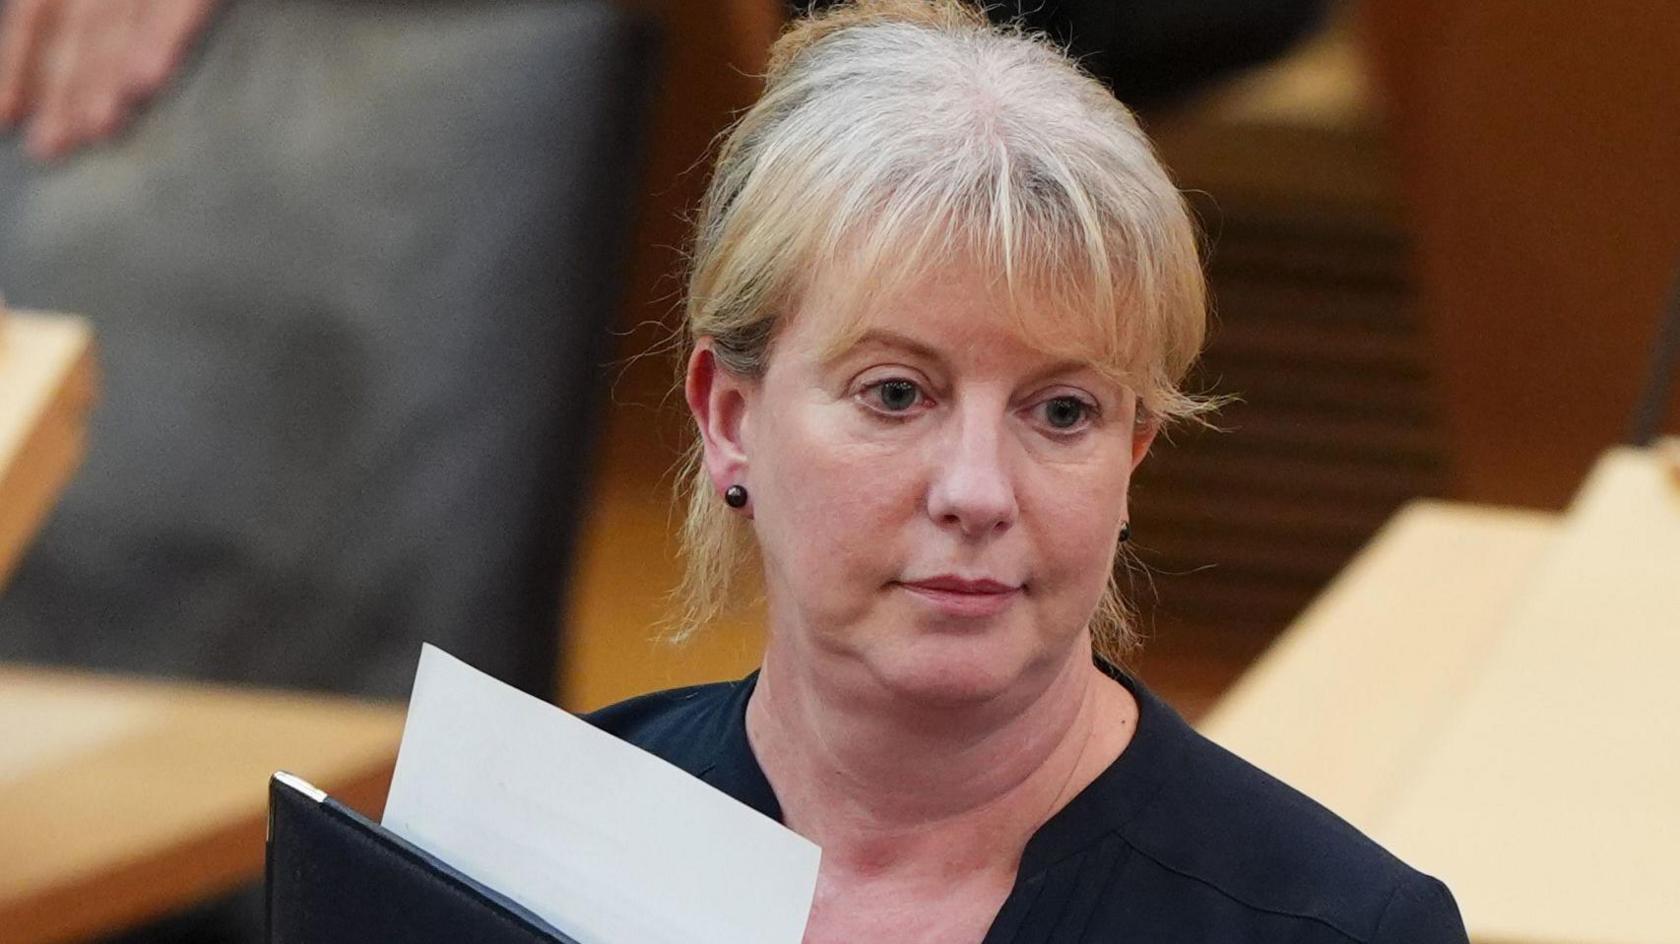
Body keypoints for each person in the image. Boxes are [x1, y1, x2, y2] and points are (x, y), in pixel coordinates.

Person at [587, 1, 1469, 941]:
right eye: (895, 394)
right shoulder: (532, 835)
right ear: (731, 418)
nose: (976, 491)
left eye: (1061, 411)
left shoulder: (1339, 929)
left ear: (1134, 450)